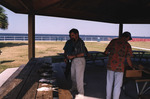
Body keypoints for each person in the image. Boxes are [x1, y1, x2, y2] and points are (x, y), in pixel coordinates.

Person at [104, 31, 134, 99]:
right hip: (120, 68)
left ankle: (107, 97)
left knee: (109, 83)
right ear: (127, 37)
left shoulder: (113, 41)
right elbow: (128, 58)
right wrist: (132, 67)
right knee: (117, 85)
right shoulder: (127, 45)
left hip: (110, 65)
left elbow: (106, 52)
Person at [63, 28, 88, 96]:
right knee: (73, 76)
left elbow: (83, 53)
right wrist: (67, 57)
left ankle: (81, 93)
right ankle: (74, 87)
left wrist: (73, 56)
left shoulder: (80, 42)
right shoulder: (72, 41)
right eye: (70, 35)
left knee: (79, 78)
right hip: (73, 60)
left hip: (80, 60)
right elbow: (67, 50)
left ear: (77, 34)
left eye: (73, 35)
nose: (71, 37)